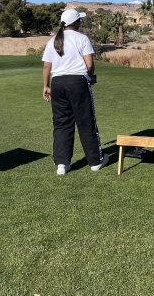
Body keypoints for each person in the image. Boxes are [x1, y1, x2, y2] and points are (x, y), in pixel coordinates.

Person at [42, 9, 108, 175]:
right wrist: (90, 77)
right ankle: (96, 161)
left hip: (57, 83)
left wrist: (46, 86)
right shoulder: (82, 38)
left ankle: (62, 164)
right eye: (80, 20)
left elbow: (46, 67)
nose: (81, 23)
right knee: (86, 121)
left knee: (61, 123)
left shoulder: (52, 41)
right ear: (75, 22)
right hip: (77, 82)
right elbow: (90, 64)